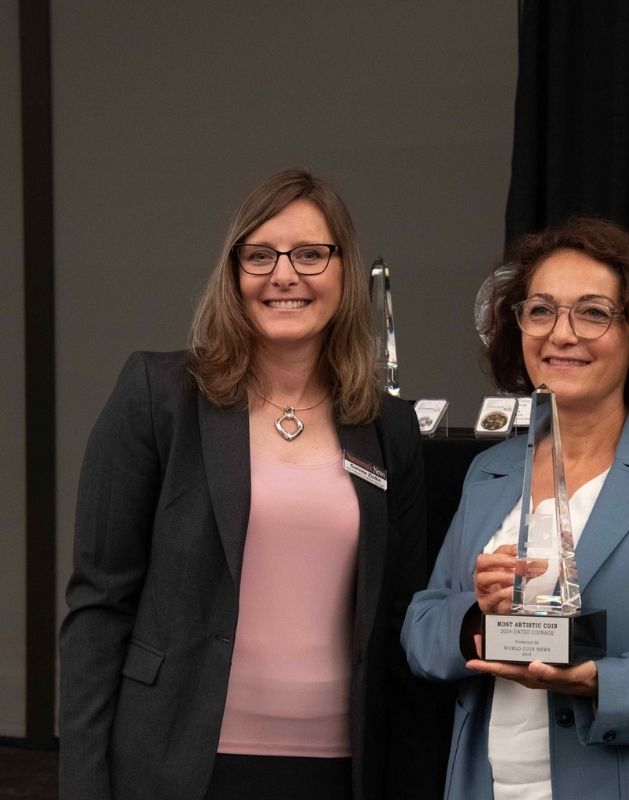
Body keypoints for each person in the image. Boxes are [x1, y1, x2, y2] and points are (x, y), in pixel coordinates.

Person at [59, 169, 440, 800]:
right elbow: (99, 607)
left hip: (341, 769)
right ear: (233, 273)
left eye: (310, 255)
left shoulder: (386, 425)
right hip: (176, 761)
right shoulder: (160, 398)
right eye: (260, 255)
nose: (284, 275)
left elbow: (401, 615)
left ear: (344, 271)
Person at [402, 216, 629, 800]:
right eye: (541, 311)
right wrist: (477, 618)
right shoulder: (490, 471)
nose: (562, 334)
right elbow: (423, 629)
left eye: (593, 312)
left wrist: (603, 683)